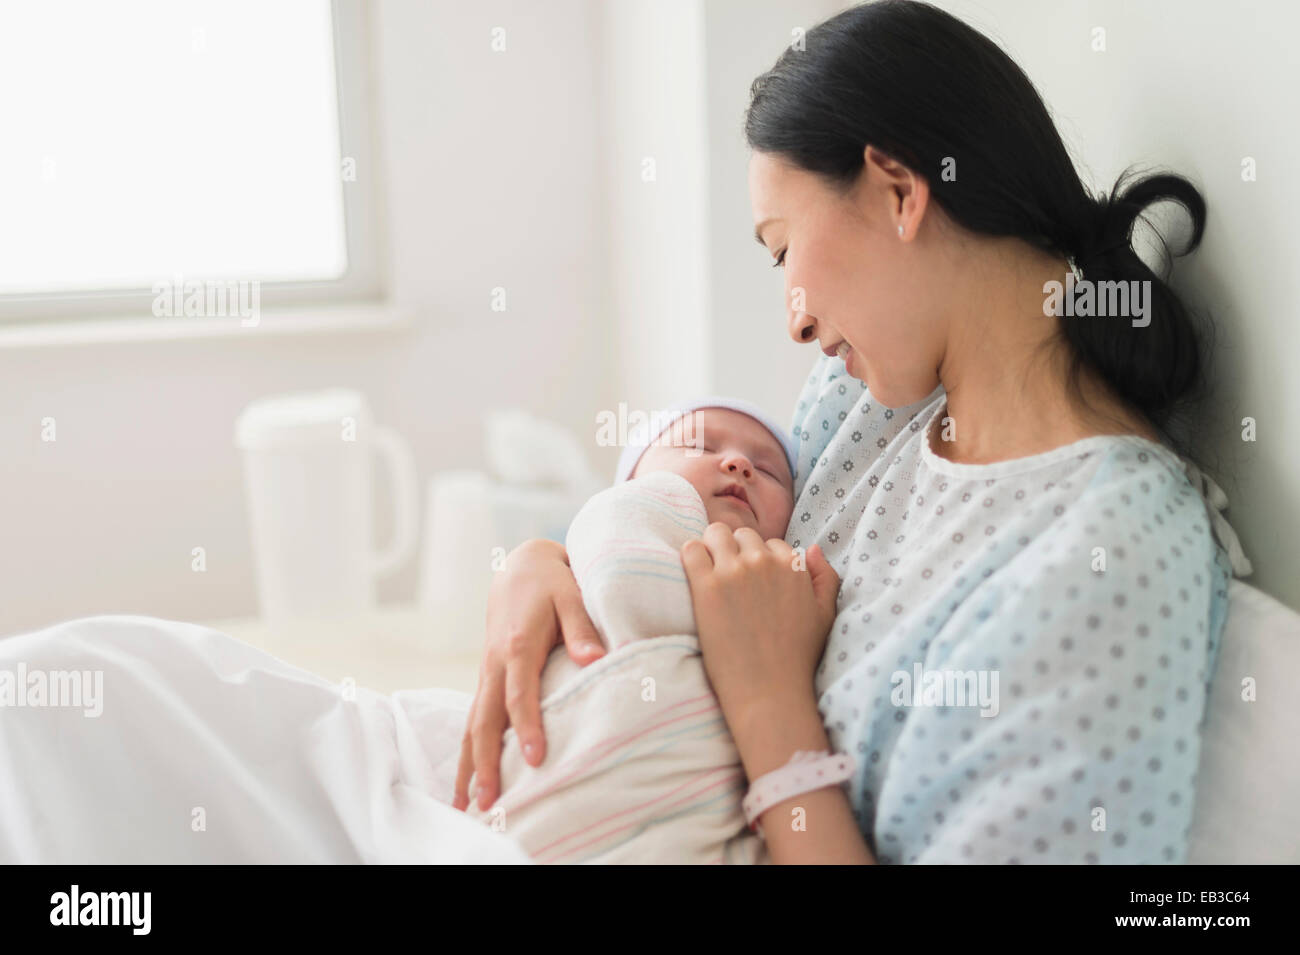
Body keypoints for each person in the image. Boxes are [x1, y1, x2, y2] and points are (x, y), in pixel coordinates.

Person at [453, 0, 1251, 864]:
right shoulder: (870, 404)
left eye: (782, 246)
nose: (795, 322)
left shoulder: (1110, 559)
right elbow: (709, 549)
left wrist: (769, 706)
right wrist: (551, 560)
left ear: (899, 192)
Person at [461, 399, 815, 863]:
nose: (740, 464)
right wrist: (535, 555)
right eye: (699, 444)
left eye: (770, 472)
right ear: (629, 487)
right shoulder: (606, 539)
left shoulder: (788, 596)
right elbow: (623, 576)